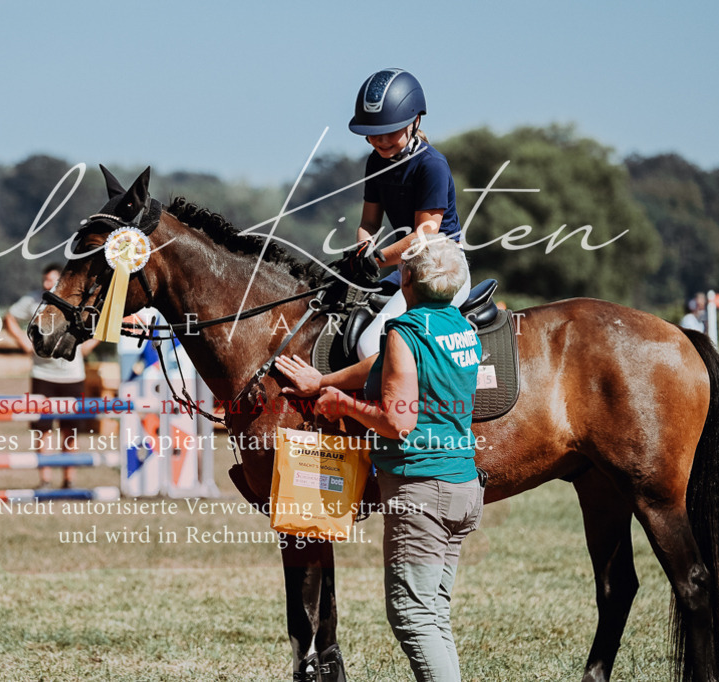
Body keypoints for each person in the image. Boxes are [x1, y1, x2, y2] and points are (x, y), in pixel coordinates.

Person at [277, 237, 483, 682]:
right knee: (432, 615)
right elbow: (382, 370)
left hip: (423, 490)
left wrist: (343, 405)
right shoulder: (463, 329)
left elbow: (398, 423)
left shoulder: (404, 334)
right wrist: (324, 380)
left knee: (412, 617)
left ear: (405, 279)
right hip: (463, 487)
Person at [348, 68, 471, 362]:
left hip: (441, 270)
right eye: (372, 134)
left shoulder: (432, 165)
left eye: (390, 131)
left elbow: (425, 236)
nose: (381, 141)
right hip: (406, 270)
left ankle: (411, 408)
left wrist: (375, 260)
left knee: (369, 347)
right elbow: (368, 223)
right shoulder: (375, 163)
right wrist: (364, 248)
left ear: (415, 121)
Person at [4, 264, 98, 488]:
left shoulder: (75, 300)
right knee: (43, 430)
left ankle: (69, 480)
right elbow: (9, 317)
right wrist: (24, 344)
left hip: (73, 376)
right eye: (45, 280)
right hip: (42, 374)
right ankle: (45, 479)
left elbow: (99, 322)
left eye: (52, 281)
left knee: (70, 431)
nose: (48, 284)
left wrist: (88, 347)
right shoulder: (33, 300)